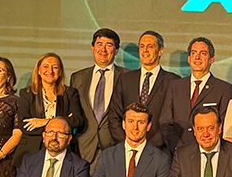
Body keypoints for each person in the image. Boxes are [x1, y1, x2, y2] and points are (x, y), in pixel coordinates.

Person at [158, 37, 232, 151]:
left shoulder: (224, 89)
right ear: (189, 59)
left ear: (212, 59)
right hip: (177, 153)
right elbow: (165, 122)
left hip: (209, 153)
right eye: (194, 53)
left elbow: (223, 126)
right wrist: (180, 149)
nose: (197, 57)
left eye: (203, 53)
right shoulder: (175, 86)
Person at [16, 52, 87, 162]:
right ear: (39, 71)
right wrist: (62, 125)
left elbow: (77, 120)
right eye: (45, 67)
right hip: (32, 150)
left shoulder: (70, 93)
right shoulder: (27, 93)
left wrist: (45, 122)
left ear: (60, 72)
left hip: (62, 150)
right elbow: (24, 125)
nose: (50, 71)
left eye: (55, 67)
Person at [71, 28, 128, 163]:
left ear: (116, 51)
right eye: (99, 44)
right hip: (83, 148)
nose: (103, 49)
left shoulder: (127, 77)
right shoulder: (77, 78)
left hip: (114, 147)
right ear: (93, 48)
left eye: (109, 45)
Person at [129, 31, 181, 129]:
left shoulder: (173, 81)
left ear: (160, 51)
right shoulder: (125, 79)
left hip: (161, 142)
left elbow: (177, 117)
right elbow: (115, 115)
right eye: (142, 46)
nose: (145, 50)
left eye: (150, 46)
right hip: (129, 142)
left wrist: (159, 142)